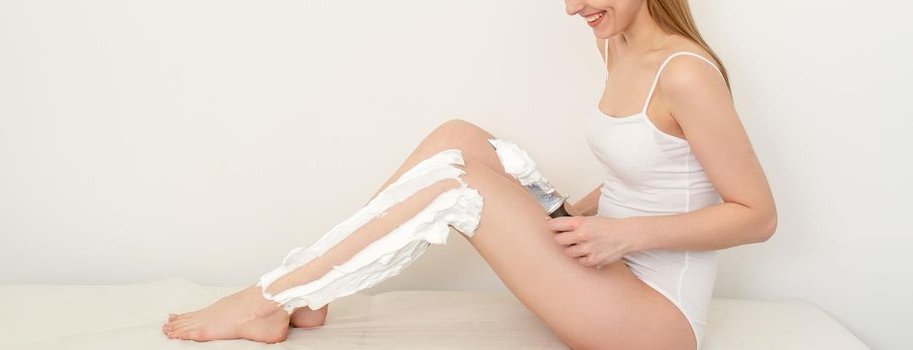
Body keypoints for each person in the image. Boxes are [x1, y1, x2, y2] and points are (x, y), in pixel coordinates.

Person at [161, 0, 777, 349]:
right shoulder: (613, 41)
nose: (571, 8)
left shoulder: (686, 73)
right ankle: (314, 291)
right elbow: (643, 168)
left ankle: (267, 298)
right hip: (605, 261)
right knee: (459, 137)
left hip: (655, 319)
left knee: (461, 188)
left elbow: (757, 216)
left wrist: (625, 236)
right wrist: (585, 216)